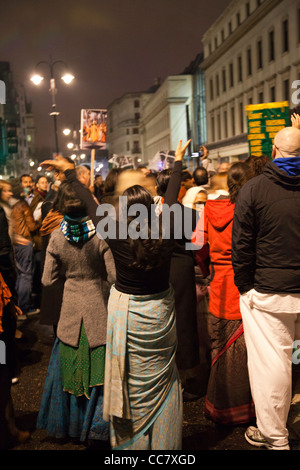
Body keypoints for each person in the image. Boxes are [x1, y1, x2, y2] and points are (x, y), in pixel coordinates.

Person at [40, 139, 191, 450]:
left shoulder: (115, 232)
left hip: (128, 318)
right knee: (162, 380)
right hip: (161, 316)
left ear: (124, 211)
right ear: (153, 208)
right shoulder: (167, 228)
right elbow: (173, 197)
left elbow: (88, 201)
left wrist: (69, 173)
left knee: (129, 382)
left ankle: (130, 445)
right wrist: (177, 163)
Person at [232, 126, 300, 450]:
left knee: (273, 364)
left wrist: (245, 286)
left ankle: (275, 437)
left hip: (269, 293)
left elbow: (242, 245)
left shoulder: (253, 189)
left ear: (274, 151)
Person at [37, 180, 116, 447]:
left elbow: (47, 279)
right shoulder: (101, 234)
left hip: (70, 312)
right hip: (98, 309)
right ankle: (96, 429)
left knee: (68, 369)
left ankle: (68, 427)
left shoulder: (57, 237)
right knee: (98, 372)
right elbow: (114, 276)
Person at [192, 162, 254, 425]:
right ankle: (247, 409)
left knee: (219, 348)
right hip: (245, 287)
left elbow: (196, 245)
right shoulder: (251, 209)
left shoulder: (210, 209)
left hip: (219, 286)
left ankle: (218, 407)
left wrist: (208, 268)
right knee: (245, 350)